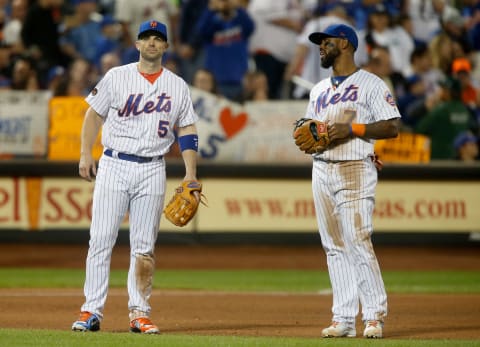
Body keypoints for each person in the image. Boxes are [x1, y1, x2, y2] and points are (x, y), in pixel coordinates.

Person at [71, 19, 200, 334]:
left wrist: (191, 174)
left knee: (144, 246)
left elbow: (187, 129)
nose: (152, 42)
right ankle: (91, 311)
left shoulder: (177, 85)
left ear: (166, 46)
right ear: (137, 44)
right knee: (101, 239)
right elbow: (93, 114)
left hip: (153, 167)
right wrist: (86, 153)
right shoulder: (117, 77)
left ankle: (139, 313)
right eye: (146, 38)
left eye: (158, 38)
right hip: (114, 163)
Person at [301, 23, 400, 338]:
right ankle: (343, 319)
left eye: (325, 42)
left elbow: (392, 126)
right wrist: (306, 133)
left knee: (358, 239)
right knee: (333, 245)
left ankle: (374, 316)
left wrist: (354, 129)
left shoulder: (370, 83)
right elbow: (309, 128)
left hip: (355, 166)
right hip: (322, 168)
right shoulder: (318, 89)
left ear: (344, 44)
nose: (321, 47)